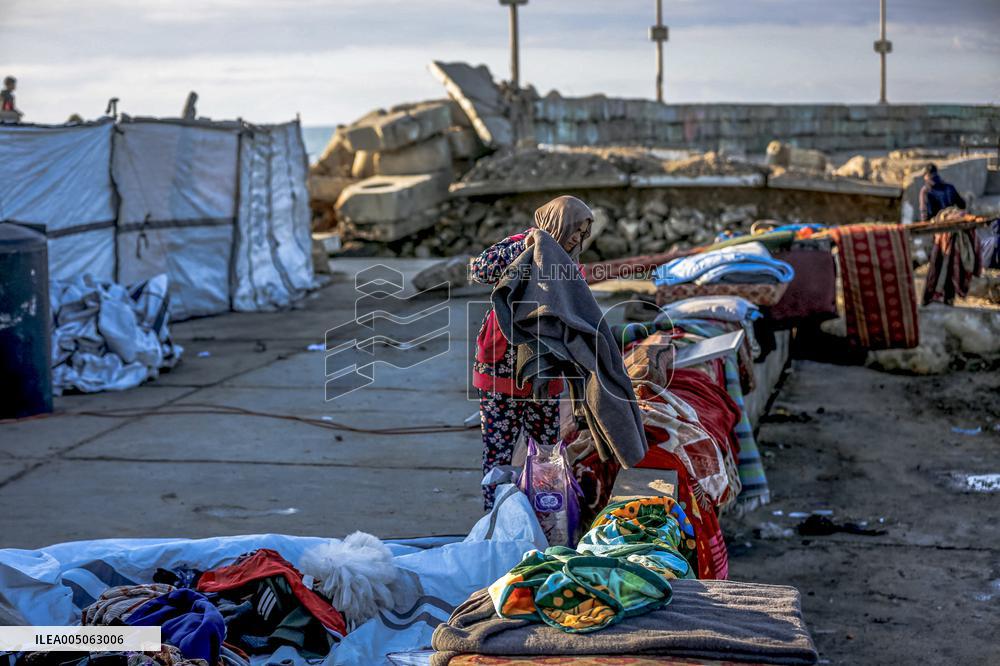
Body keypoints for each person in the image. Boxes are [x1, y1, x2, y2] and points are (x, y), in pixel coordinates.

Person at [469, 195, 593, 509]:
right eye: (575, 230)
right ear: (558, 223)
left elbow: (577, 309)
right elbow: (480, 271)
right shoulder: (519, 244)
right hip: (500, 367)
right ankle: (496, 517)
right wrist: (528, 246)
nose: (577, 239)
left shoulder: (569, 265)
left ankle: (542, 513)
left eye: (582, 234)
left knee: (548, 451)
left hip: (544, 370)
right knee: (497, 452)